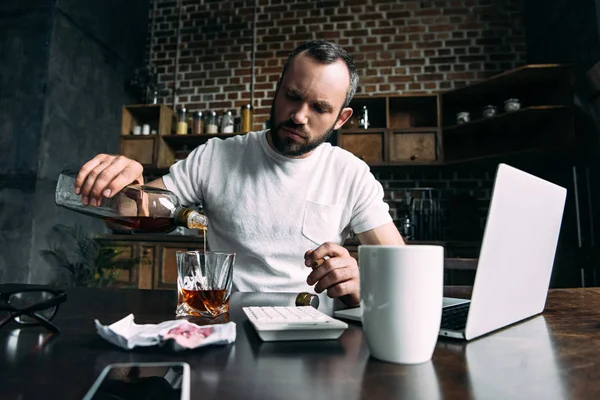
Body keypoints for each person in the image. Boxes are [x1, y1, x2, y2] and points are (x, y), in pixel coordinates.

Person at [74, 40, 405, 307]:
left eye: (319, 108)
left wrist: (363, 283)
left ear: (341, 119)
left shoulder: (350, 174)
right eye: (292, 97)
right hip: (222, 323)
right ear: (277, 91)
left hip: (309, 335)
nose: (300, 116)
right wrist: (127, 183)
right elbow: (124, 213)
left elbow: (401, 270)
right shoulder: (216, 156)